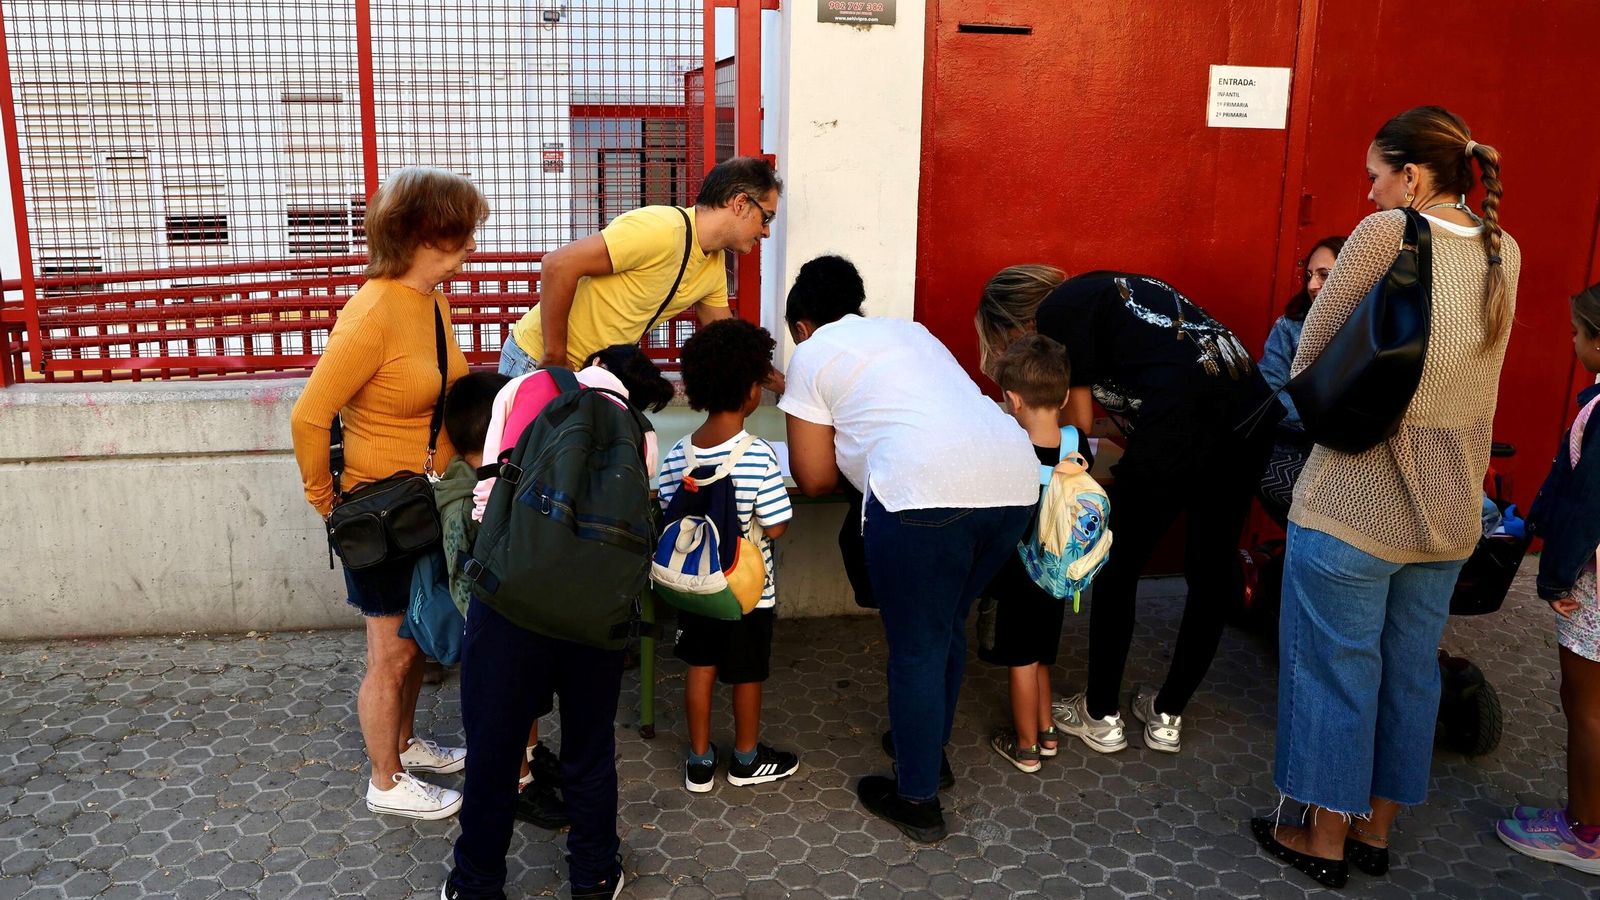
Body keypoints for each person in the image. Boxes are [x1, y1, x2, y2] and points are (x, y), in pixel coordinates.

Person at [1251, 105, 1519, 889]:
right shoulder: (1506, 249)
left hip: (1354, 503)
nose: (1368, 194)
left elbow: (1313, 344)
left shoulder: (1387, 233)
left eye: (1375, 176)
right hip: (1449, 507)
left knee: (1336, 670)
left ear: (1410, 175)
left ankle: (1323, 838)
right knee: (1410, 672)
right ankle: (1376, 830)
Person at [781, 255, 1037, 842]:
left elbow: (814, 479)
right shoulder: (911, 332)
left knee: (916, 649)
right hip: (1013, 486)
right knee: (946, 626)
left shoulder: (812, 351)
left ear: (801, 326)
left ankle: (918, 798)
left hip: (922, 499)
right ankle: (927, 749)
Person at [975, 265, 1277, 756]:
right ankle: (1167, 715)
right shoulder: (1108, 301)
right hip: (1250, 418)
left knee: (1119, 565)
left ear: (1018, 325)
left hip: (1185, 425)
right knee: (1210, 567)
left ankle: (1100, 715)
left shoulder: (1061, 311)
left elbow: (1079, 426)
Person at [289, 167, 483, 821]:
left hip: (423, 506)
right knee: (390, 654)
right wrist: (328, 504)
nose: (473, 246)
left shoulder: (430, 299)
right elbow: (310, 416)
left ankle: (404, 745)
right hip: (380, 513)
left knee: (415, 642)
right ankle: (386, 780)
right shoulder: (372, 312)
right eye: (463, 233)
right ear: (427, 233)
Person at [443, 347, 670, 900]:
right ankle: (593, 876)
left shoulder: (524, 391)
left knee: (495, 749)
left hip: (510, 604)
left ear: (589, 359)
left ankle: (477, 884)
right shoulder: (639, 432)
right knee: (588, 750)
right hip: (596, 615)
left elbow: (487, 500)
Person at [657, 319, 798, 794]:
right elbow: (776, 525)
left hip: (697, 589)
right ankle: (745, 758)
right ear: (751, 392)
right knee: (746, 675)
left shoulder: (678, 453)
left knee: (699, 669)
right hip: (746, 593)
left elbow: (667, 513)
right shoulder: (758, 455)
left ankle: (699, 762)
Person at [498, 156, 781, 376]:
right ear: (741, 203)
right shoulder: (660, 229)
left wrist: (787, 382)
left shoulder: (713, 263)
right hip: (536, 360)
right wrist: (555, 357)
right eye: (766, 218)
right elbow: (558, 265)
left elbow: (727, 341)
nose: (766, 232)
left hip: (590, 373)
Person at [1496, 282, 1600, 876]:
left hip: (1591, 583)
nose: (1572, 341)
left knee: (1584, 705)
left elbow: (1585, 504)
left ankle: (1585, 832)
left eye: (1578, 333)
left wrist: (1554, 581)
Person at [976, 333, 1092, 773]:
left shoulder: (1008, 447)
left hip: (1016, 575)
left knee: (1021, 660)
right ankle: (1046, 732)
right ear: (1064, 395)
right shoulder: (1075, 441)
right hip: (1058, 575)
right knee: (1042, 655)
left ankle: (1025, 747)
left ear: (1013, 400)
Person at [1258, 235, 1347, 524]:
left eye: (1324, 275)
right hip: (1292, 450)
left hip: (1350, 458)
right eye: (1309, 275)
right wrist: (1321, 417)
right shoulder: (1290, 328)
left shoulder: (1373, 332)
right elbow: (1270, 390)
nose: (1312, 285)